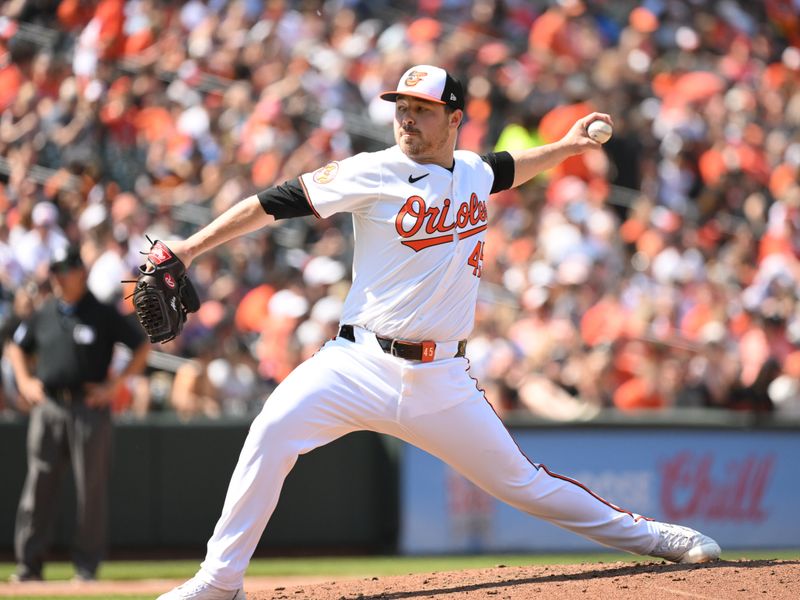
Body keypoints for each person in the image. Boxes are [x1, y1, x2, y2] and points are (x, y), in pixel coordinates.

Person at [157, 65, 720, 600]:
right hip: (356, 363)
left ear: (454, 119)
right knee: (272, 430)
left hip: (442, 376)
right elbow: (272, 203)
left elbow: (509, 167)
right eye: (401, 107)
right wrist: (188, 247)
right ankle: (219, 579)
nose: (406, 118)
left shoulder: (474, 170)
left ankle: (654, 536)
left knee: (523, 484)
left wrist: (568, 149)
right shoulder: (371, 170)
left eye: (422, 109)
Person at [6, 244, 150, 582]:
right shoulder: (44, 312)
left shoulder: (100, 312)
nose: (57, 278)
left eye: (63, 271)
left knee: (91, 490)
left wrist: (115, 386)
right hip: (50, 406)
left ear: (81, 273)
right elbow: (15, 344)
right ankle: (29, 565)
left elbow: (141, 345)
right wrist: (25, 380)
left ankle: (86, 568)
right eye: (54, 272)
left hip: (89, 407)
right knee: (38, 487)